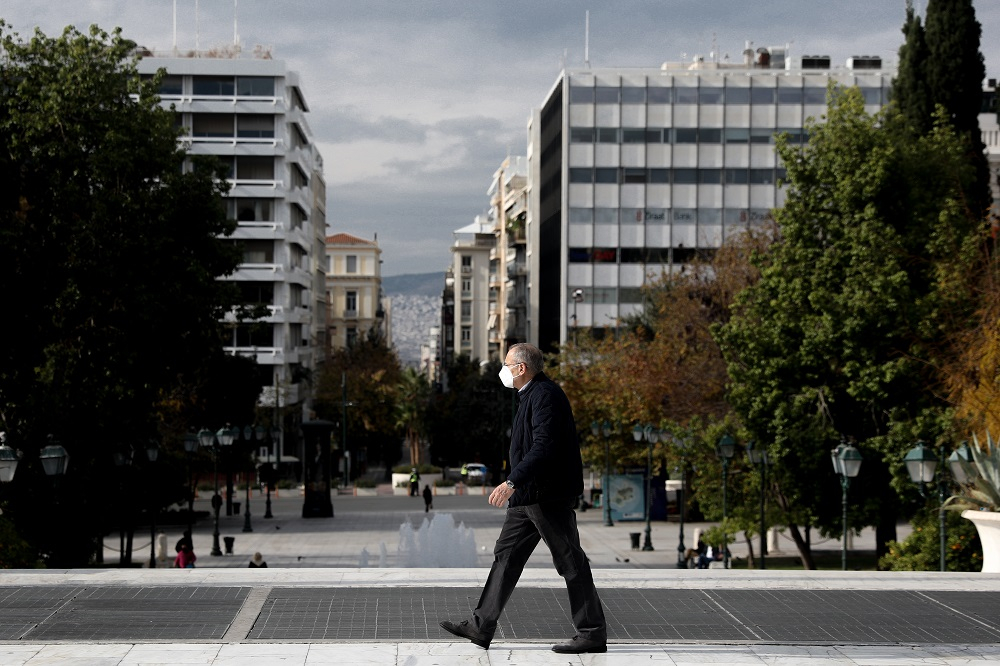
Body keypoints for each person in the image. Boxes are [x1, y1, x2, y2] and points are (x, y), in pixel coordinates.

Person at [440, 343, 607, 654]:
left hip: (545, 496)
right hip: (528, 498)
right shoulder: (529, 396)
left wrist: (511, 482)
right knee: (506, 556)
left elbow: (544, 447)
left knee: (570, 562)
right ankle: (481, 626)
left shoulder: (545, 396)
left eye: (507, 364)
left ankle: (592, 633)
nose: (503, 370)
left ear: (521, 369)